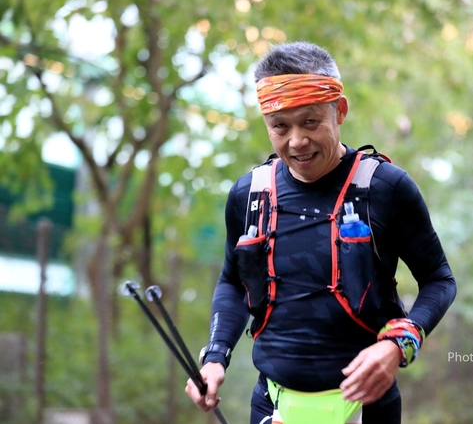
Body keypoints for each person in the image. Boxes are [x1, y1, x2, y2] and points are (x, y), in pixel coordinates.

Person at [185, 41, 456, 424]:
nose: (296, 140)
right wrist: (215, 357)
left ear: (339, 110)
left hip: (367, 410)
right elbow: (232, 282)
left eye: (310, 122)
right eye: (280, 126)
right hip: (272, 407)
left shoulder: (385, 188)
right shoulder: (250, 195)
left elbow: (439, 280)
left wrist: (399, 343)